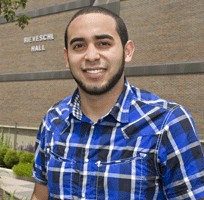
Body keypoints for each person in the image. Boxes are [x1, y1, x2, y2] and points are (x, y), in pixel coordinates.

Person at [31, 6, 204, 200]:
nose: (91, 56)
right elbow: (40, 196)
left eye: (103, 43)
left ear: (127, 51)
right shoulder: (53, 121)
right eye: (79, 46)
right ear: (67, 57)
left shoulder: (168, 123)